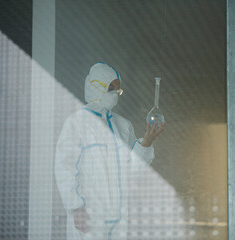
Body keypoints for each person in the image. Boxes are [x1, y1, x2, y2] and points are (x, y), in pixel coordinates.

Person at [55, 62, 165, 240]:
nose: (115, 93)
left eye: (118, 89)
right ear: (96, 85)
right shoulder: (76, 123)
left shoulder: (123, 125)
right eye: (111, 87)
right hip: (89, 218)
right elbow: (64, 168)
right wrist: (76, 207)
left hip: (119, 219)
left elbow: (132, 170)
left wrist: (147, 141)